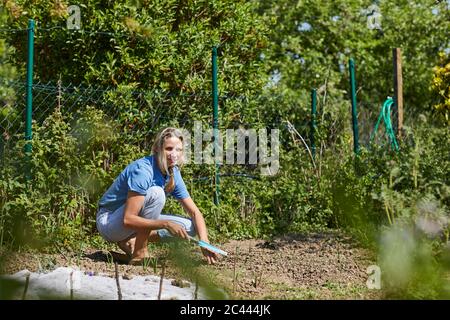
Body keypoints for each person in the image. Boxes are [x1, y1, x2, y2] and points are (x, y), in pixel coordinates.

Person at [96, 127, 218, 265]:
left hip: (128, 225)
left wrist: (204, 242)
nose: (174, 154)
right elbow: (128, 219)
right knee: (157, 193)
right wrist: (165, 224)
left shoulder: (173, 172)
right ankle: (139, 253)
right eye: (169, 149)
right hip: (109, 222)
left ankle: (132, 242)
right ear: (157, 149)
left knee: (188, 227)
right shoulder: (143, 171)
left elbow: (195, 212)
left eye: (178, 150)